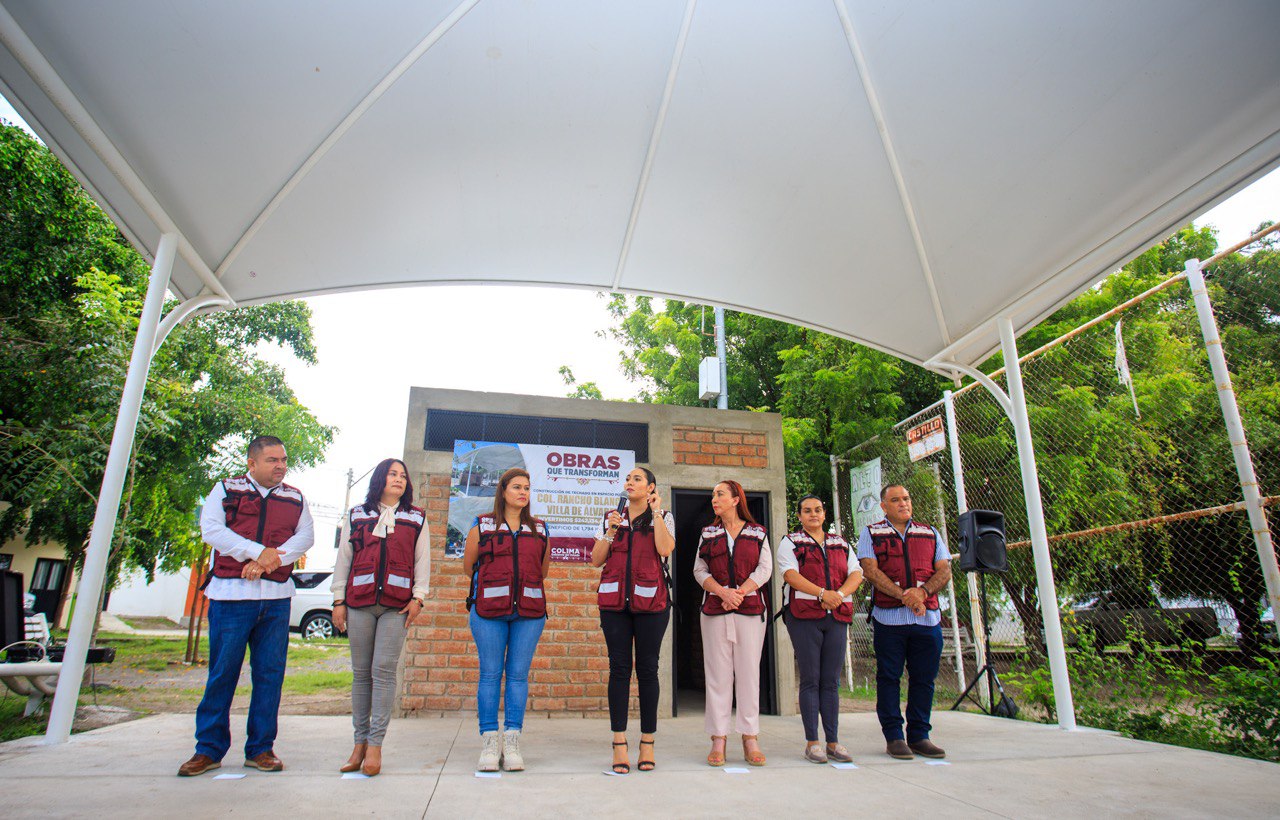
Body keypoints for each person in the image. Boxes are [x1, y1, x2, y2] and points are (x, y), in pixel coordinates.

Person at [178, 436, 314, 777]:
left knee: (270, 675)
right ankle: (208, 749)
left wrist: (267, 562)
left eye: (283, 460)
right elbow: (211, 530)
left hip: (276, 600)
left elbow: (305, 538)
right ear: (252, 463)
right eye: (272, 460)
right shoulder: (226, 490)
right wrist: (255, 551)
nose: (280, 466)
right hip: (230, 598)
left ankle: (261, 748)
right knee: (222, 673)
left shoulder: (295, 497)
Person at [330, 458, 431, 776]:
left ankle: (375, 746)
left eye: (403, 475)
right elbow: (344, 558)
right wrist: (338, 601)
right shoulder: (358, 514)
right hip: (359, 602)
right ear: (379, 479)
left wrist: (419, 597)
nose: (399, 479)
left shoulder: (416, 517)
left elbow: (422, 559)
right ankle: (358, 744)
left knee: (383, 672)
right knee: (361, 674)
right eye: (393, 474)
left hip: (396, 606)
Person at [463, 467, 552, 772]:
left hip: (529, 612)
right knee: (489, 674)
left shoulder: (540, 528)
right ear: (502, 491)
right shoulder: (481, 525)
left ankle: (512, 741)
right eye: (516, 487)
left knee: (517, 676)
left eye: (527, 487)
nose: (523, 492)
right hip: (488, 611)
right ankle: (489, 742)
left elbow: (542, 571)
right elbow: (468, 566)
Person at [856, 483, 953, 760]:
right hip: (890, 620)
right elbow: (870, 571)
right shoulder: (872, 533)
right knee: (889, 677)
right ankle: (894, 737)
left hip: (928, 619)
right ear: (884, 506)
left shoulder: (930, 532)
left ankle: (920, 735)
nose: (903, 504)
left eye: (906, 498)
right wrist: (904, 596)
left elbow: (944, 570)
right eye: (896, 500)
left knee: (924, 679)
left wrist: (922, 593)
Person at [590, 467, 675, 774]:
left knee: (648, 670)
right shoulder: (610, 517)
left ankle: (648, 742)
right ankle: (619, 743)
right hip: (614, 606)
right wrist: (611, 531)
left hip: (652, 603)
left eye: (637, 479)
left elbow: (665, 549)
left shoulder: (663, 516)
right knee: (619, 670)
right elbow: (596, 559)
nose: (630, 482)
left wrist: (654, 514)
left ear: (651, 487)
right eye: (628, 479)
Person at [778, 494, 862, 764]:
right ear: (799, 516)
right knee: (811, 679)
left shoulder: (840, 543)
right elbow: (791, 575)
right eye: (806, 511)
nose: (813, 514)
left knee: (831, 681)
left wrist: (837, 595)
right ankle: (812, 742)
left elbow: (856, 573)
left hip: (836, 616)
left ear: (825, 514)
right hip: (804, 616)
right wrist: (822, 593)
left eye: (817, 510)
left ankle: (833, 742)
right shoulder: (791, 542)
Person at [695, 479, 772, 767]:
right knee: (718, 675)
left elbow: (766, 568)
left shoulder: (757, 532)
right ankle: (718, 738)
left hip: (749, 609)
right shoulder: (708, 533)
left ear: (736, 499)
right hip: (715, 609)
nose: (714, 498)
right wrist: (722, 592)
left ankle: (750, 737)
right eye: (713, 494)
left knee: (749, 673)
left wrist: (741, 592)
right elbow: (698, 569)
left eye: (720, 494)